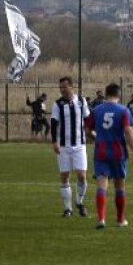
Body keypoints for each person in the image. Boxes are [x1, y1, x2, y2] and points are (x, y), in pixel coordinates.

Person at [90, 82, 133, 229]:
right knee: (119, 187)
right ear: (119, 95)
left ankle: (101, 219)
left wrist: (97, 137)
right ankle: (120, 220)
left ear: (105, 94)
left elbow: (87, 130)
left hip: (101, 152)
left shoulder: (97, 110)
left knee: (101, 185)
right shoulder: (123, 110)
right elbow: (128, 131)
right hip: (118, 153)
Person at [50, 77, 90, 218]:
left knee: (82, 175)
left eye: (64, 87)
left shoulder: (81, 101)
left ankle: (79, 202)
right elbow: (54, 123)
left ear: (71, 87)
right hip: (63, 146)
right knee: (65, 176)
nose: (62, 89)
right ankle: (68, 209)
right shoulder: (57, 104)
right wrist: (54, 141)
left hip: (80, 145)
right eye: (60, 87)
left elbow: (88, 119)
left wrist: (92, 132)